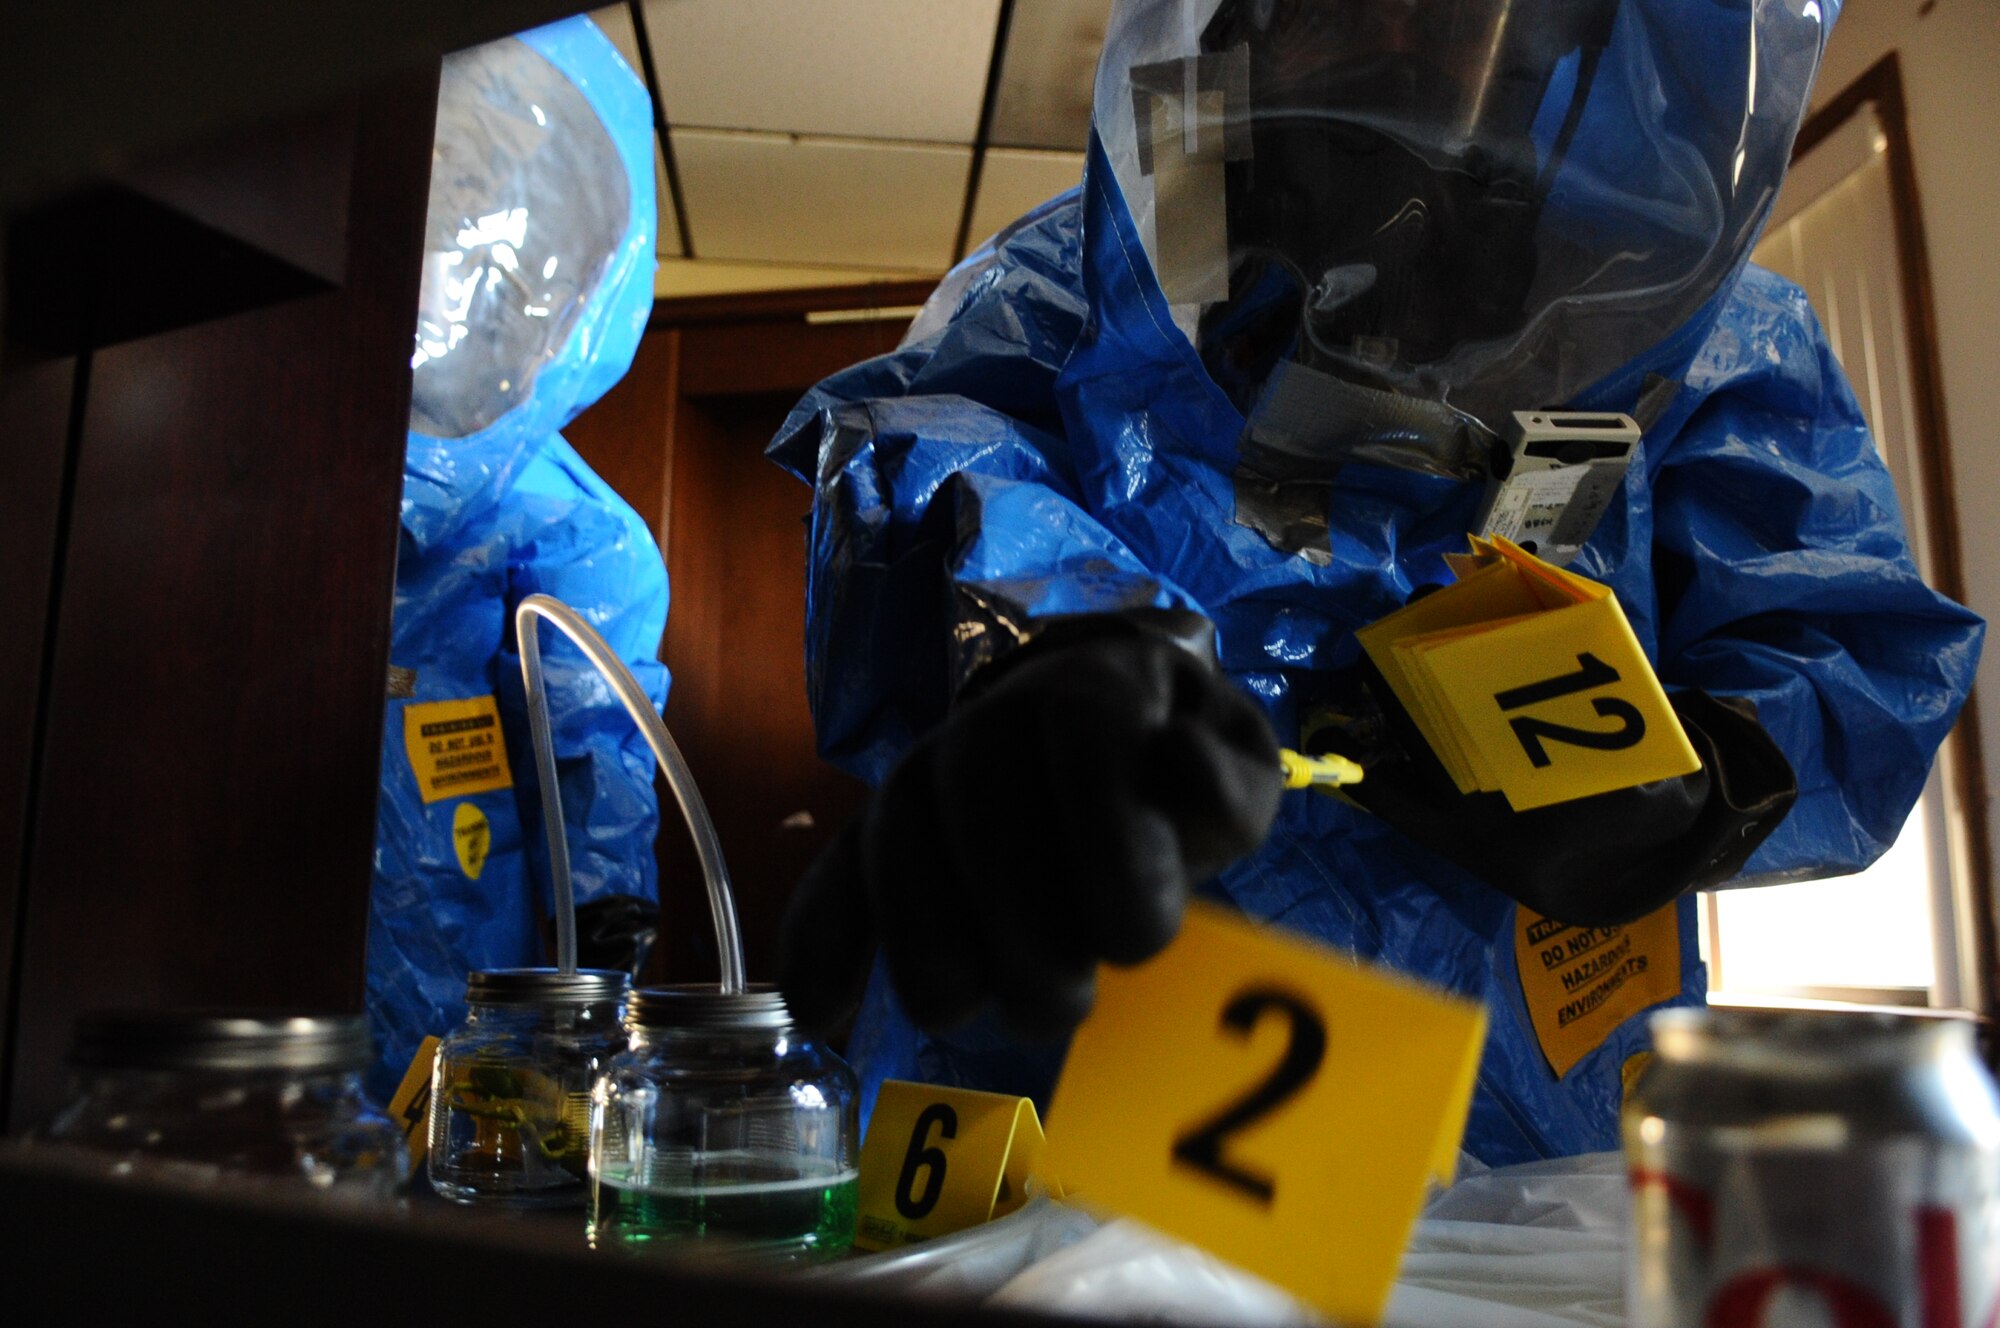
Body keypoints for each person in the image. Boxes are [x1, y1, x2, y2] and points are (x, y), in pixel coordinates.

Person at [768, 0, 1984, 1164]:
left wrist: (1700, 779)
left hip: (1526, 1150)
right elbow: (923, 472)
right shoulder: (1082, 286)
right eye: (1354, 6)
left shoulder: (1704, 347)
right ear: (1243, 22)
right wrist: (1056, 647)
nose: (1423, 42)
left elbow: (1845, 645)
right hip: (1085, 1116)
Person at [365, 16, 667, 1099]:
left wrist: (607, 938)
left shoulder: (566, 534)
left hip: (459, 990)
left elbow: (597, 754)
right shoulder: (227, 472)